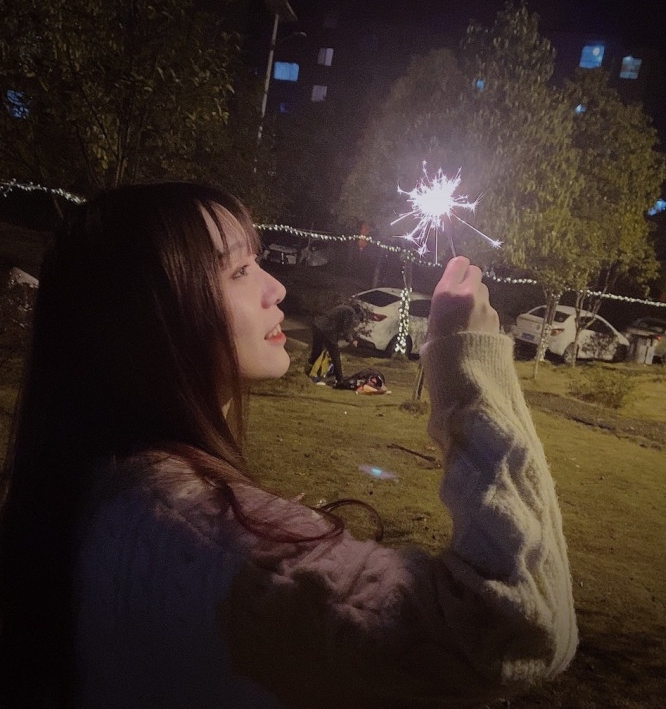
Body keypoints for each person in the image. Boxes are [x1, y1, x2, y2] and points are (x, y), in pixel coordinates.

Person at [0, 182, 577, 709]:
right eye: (239, 270)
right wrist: (471, 361)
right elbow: (517, 629)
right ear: (152, 316)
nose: (277, 288)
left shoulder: (97, 488)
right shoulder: (214, 543)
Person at [307, 302, 362, 383]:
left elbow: (338, 324)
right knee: (335, 355)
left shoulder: (344, 307)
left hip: (318, 326)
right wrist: (352, 341)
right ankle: (340, 379)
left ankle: (308, 371)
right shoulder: (350, 312)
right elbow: (345, 329)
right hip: (328, 331)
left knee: (316, 352)